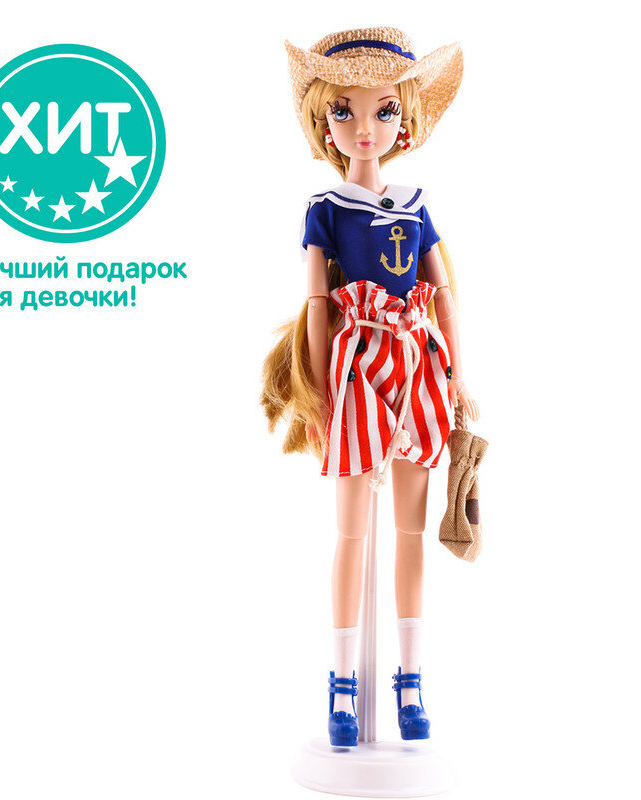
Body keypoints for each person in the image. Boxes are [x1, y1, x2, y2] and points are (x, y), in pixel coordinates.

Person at [261, 27, 479, 747]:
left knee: (410, 529)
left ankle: (410, 678)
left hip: (416, 367)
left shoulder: (415, 205)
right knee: (351, 531)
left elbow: (443, 297)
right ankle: (341, 684)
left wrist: (457, 377)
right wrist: (316, 394)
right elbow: (318, 304)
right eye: (344, 110)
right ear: (323, 120)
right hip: (354, 371)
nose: (364, 128)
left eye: (383, 111)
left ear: (404, 120)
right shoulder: (325, 208)